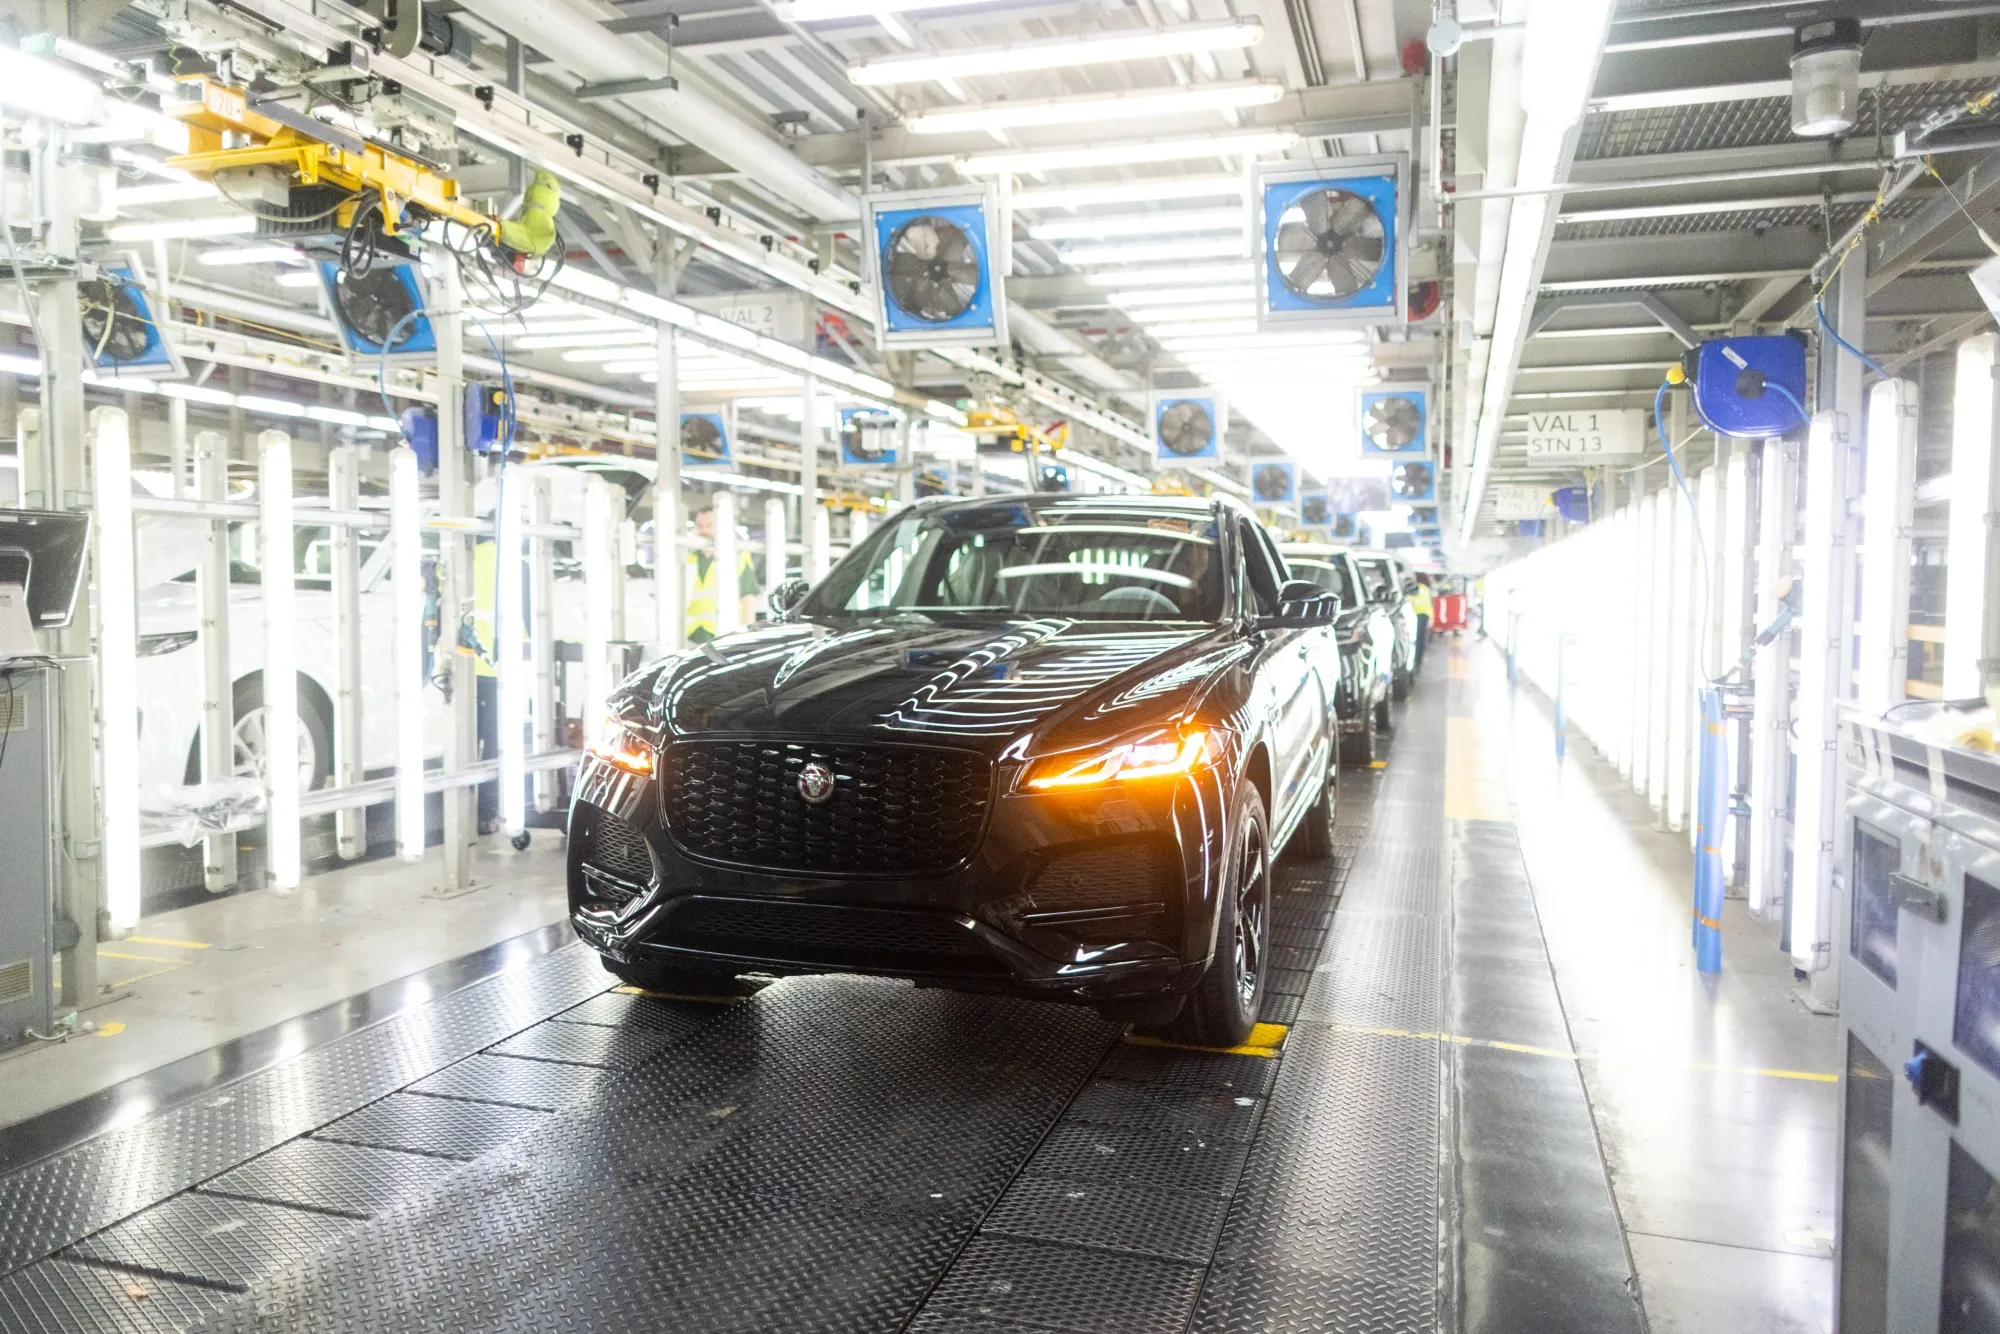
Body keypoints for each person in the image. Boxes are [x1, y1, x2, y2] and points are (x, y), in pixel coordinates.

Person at [685, 503, 762, 643]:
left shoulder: (736, 557)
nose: (704, 531)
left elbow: (748, 602)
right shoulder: (689, 558)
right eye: (699, 526)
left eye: (709, 525)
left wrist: (746, 638)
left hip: (724, 636)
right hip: (692, 636)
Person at [1410, 573, 1433, 669]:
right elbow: (1429, 604)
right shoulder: (1426, 589)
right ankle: (1418, 662)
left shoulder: (1414, 588)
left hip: (1414, 615)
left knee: (1414, 640)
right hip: (1424, 616)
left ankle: (1414, 661)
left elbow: (1410, 600)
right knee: (1421, 640)